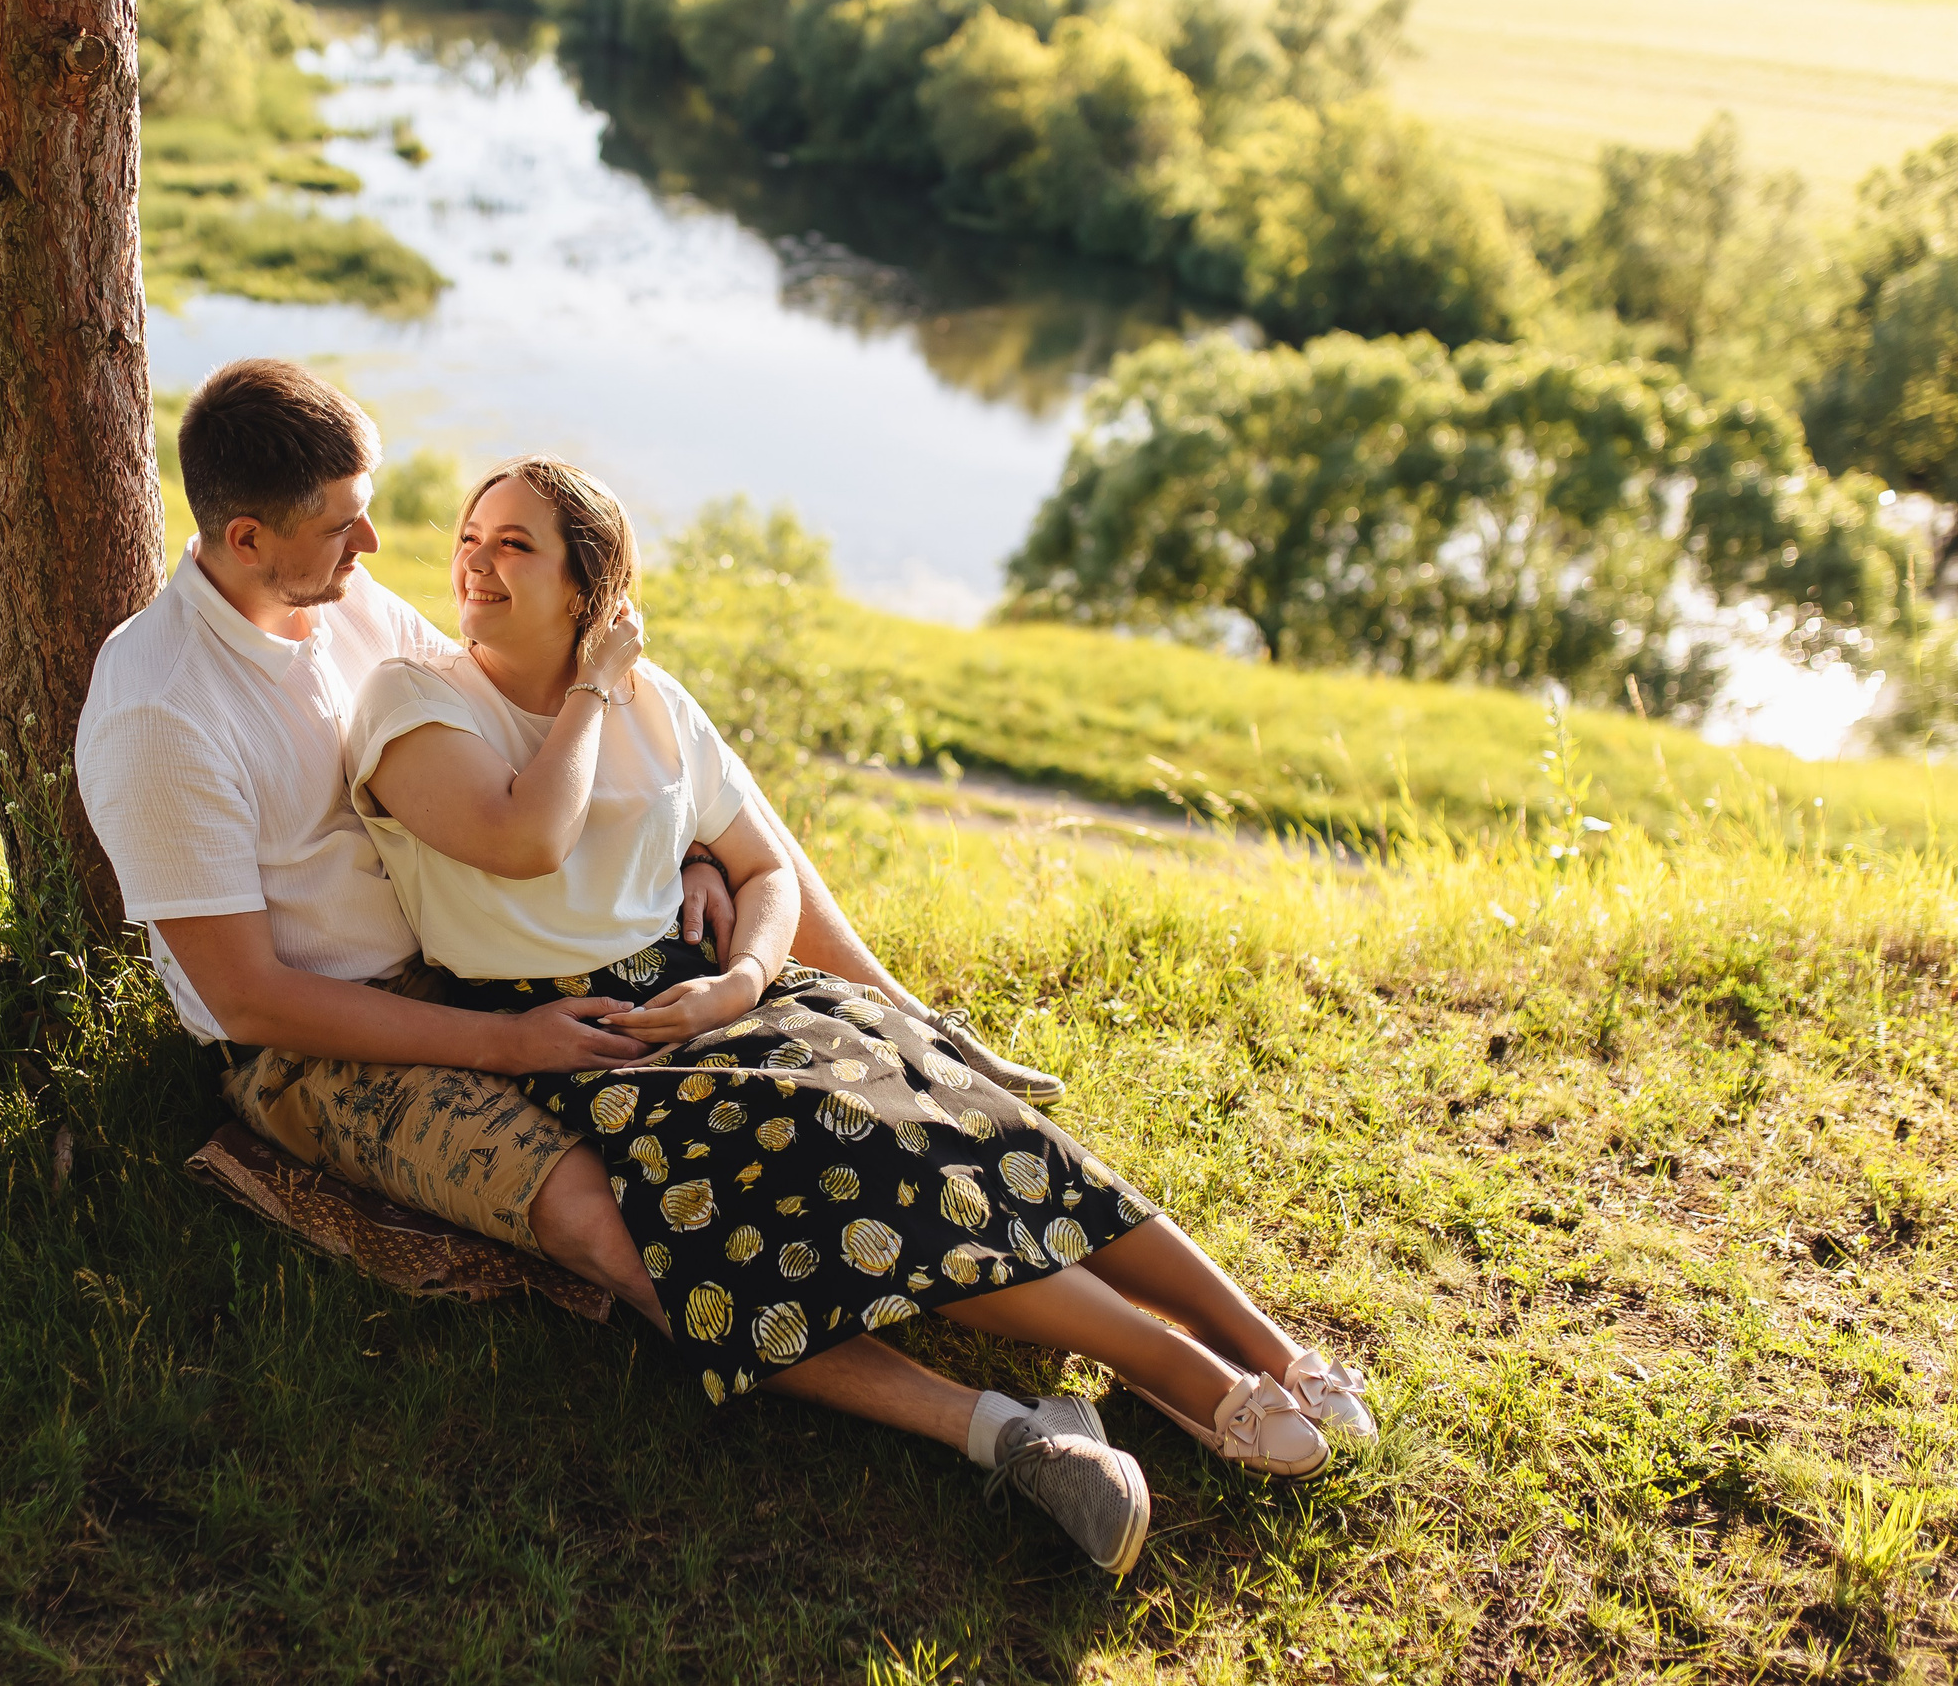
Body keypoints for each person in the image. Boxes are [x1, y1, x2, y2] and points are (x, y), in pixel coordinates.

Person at [340, 454, 1382, 1575]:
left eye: (514, 544)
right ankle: (1186, 1378)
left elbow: (765, 869)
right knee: (871, 1153)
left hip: (718, 986)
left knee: (971, 1117)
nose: (475, 562)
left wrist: (742, 977)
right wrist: (594, 687)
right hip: (588, 1036)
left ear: (587, 587)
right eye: (470, 535)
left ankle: (1269, 1348)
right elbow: (522, 838)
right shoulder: (417, 699)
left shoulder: (658, 704)